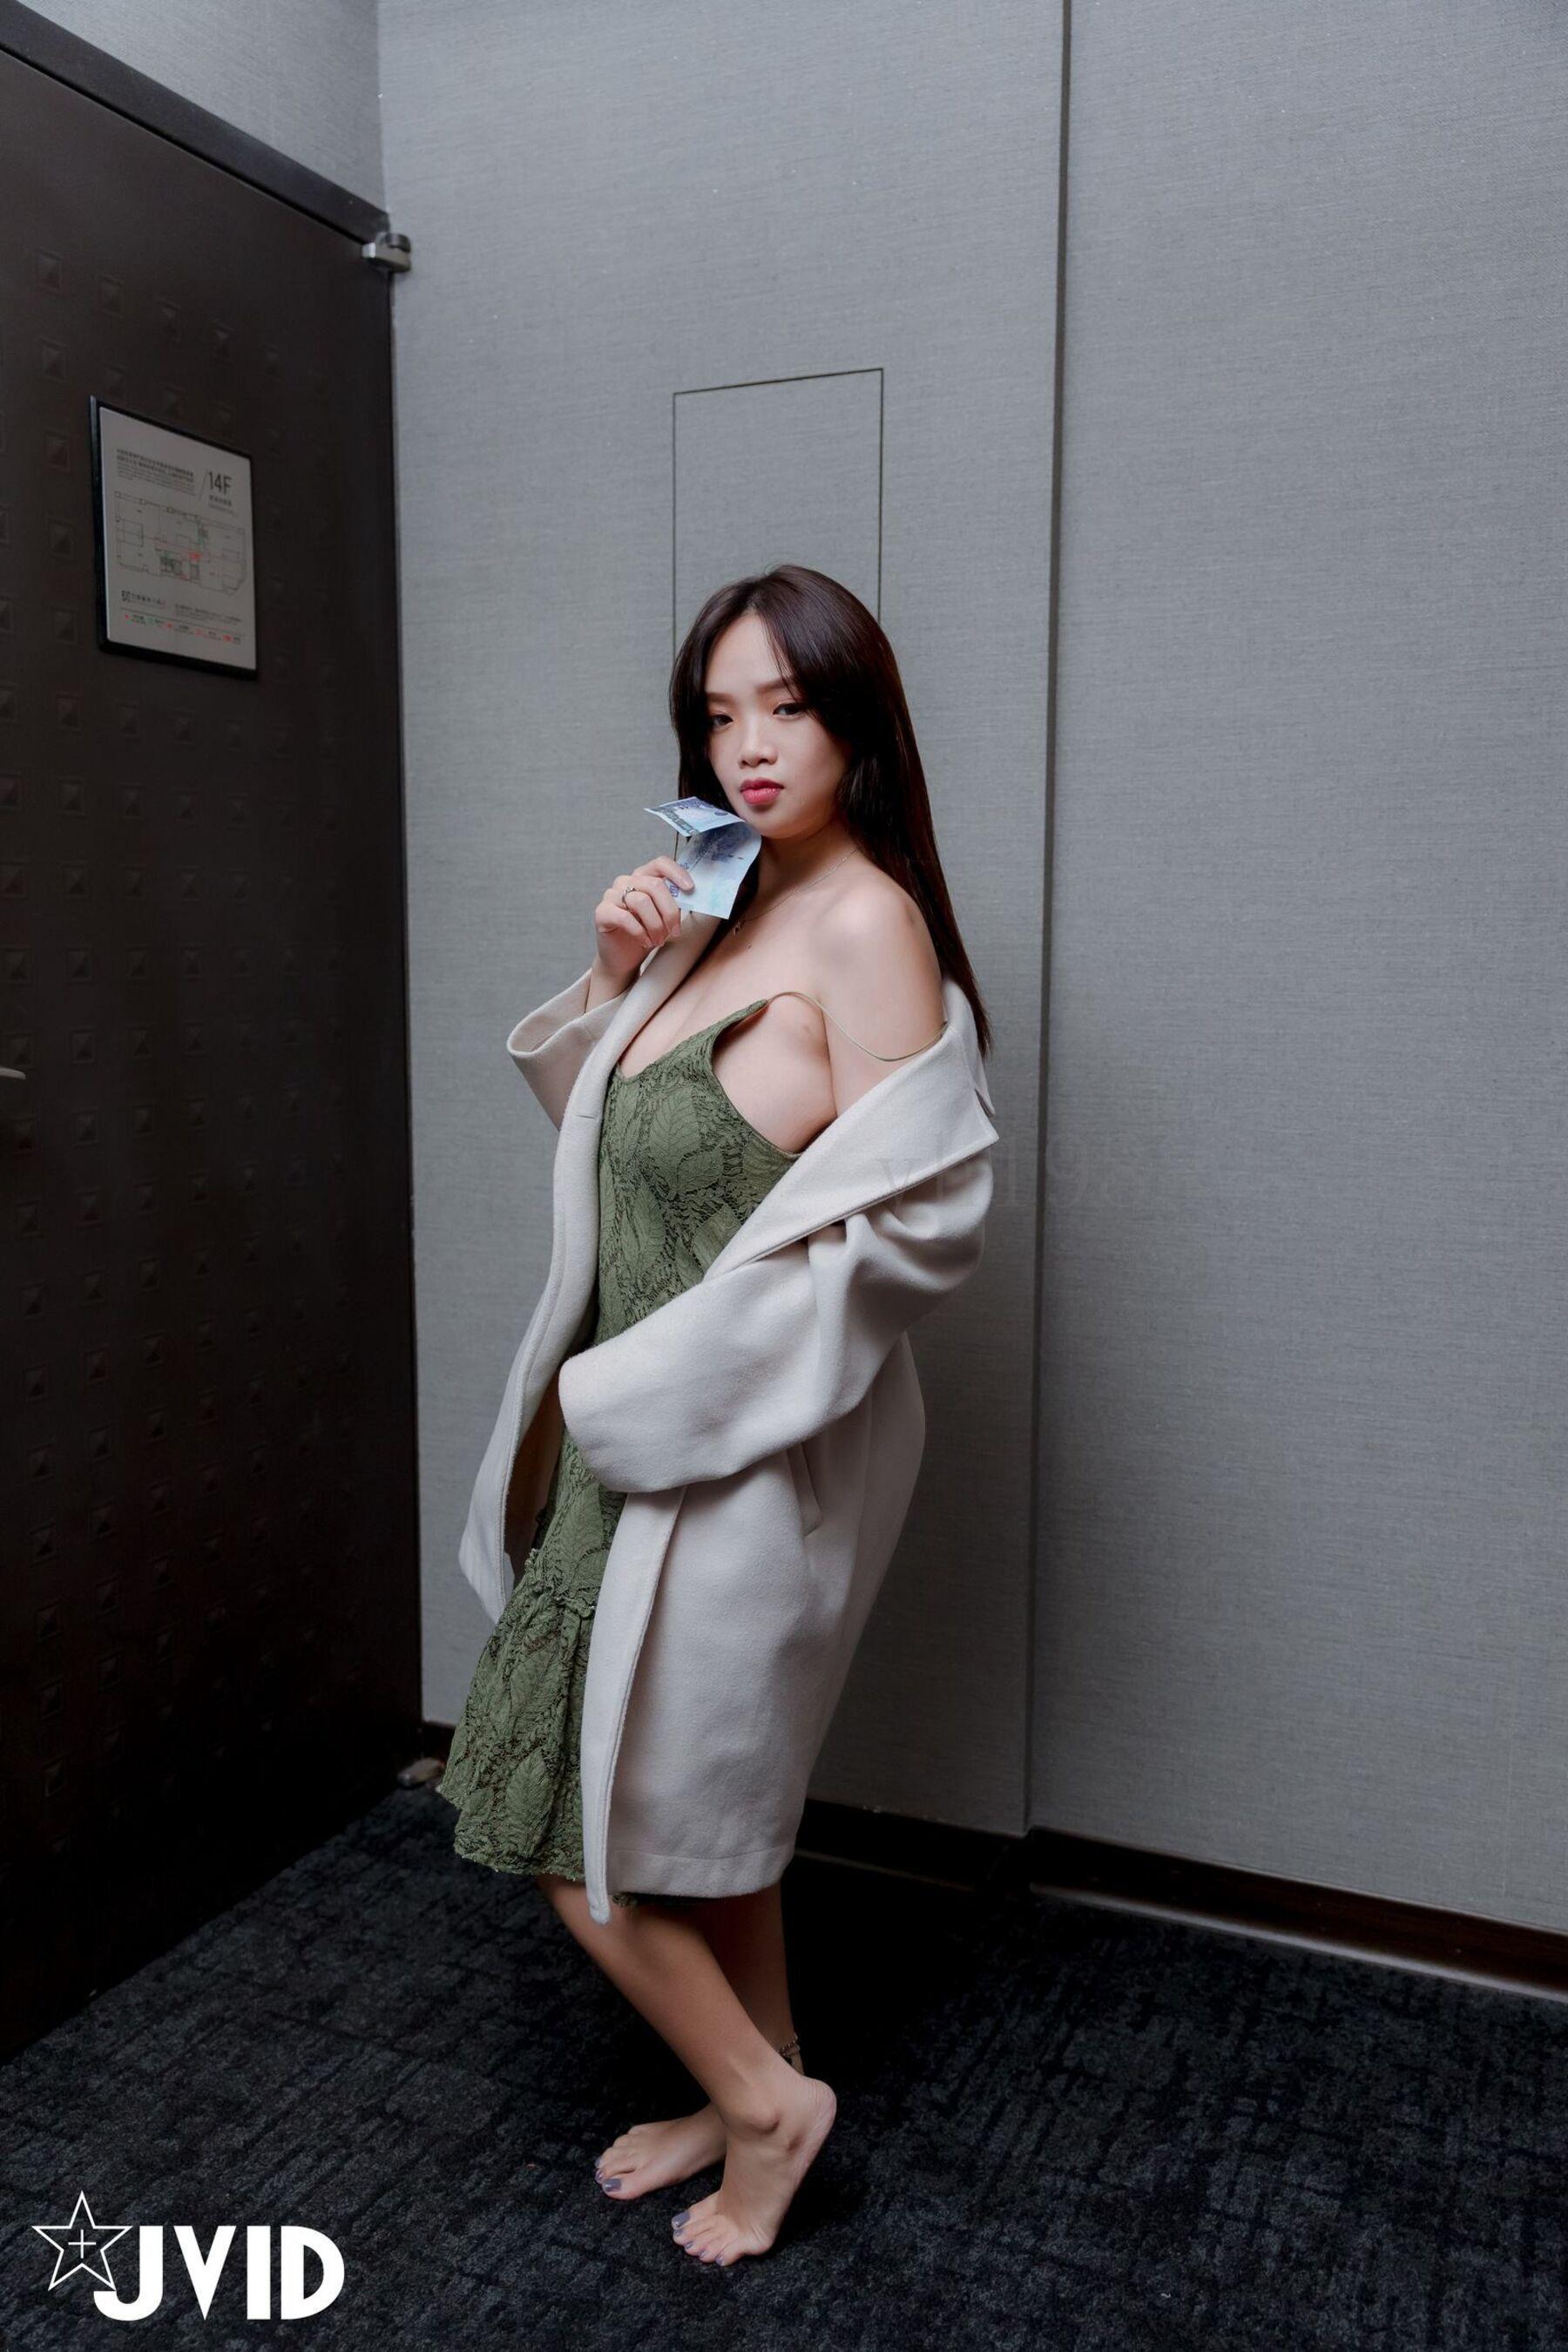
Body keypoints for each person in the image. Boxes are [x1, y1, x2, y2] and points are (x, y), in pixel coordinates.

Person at [438, 564, 996, 2267]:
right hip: (624, 1435)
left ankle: (766, 2108)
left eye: (788, 707)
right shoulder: (721, 898)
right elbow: (641, 1159)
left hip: (736, 1444)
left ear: (856, 723)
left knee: (552, 1806)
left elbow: (920, 1223)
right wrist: (619, 972)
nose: (750, 745)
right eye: (719, 712)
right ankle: (749, 2068)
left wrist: (660, 1390)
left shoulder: (870, 923)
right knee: (713, 1820)